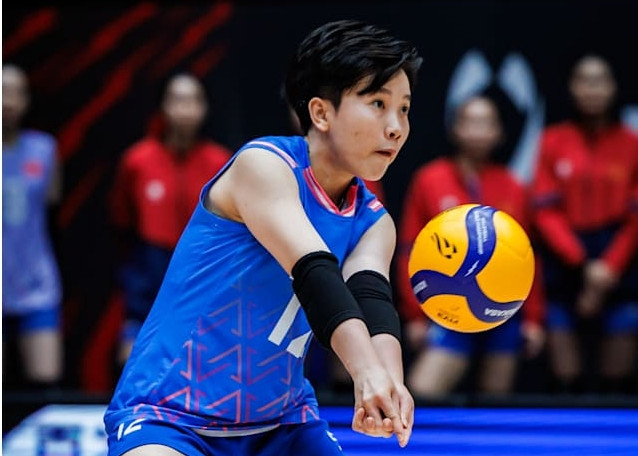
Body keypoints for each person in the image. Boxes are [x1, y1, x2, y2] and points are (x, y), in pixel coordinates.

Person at [104, 20, 422, 455]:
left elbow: (372, 300)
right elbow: (314, 272)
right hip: (170, 415)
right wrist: (365, 373)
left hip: (281, 424)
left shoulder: (374, 220)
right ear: (321, 113)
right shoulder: (263, 164)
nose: (396, 127)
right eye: (378, 104)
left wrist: (389, 383)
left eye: (404, 108)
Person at [397, 96, 544, 397]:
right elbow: (409, 250)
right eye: (470, 121)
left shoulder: (513, 186)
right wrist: (414, 315)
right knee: (423, 390)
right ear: (455, 128)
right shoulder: (429, 179)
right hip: (448, 305)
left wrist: (533, 318)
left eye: (486, 123)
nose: (477, 131)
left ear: (499, 132)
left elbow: (527, 258)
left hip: (502, 306)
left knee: (495, 400)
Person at [531, 55, 638, 394]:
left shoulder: (635, 143)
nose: (592, 89)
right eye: (585, 80)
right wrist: (583, 264)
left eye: (600, 81)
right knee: (564, 381)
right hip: (565, 262)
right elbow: (545, 211)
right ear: (572, 87)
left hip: (619, 264)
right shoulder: (552, 141)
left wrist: (607, 269)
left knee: (618, 382)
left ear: (613, 88)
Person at [109, 73, 232, 365]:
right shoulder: (137, 160)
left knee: (203, 367)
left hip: (204, 276)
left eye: (193, 101)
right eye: (177, 100)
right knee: (134, 365)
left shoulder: (221, 161)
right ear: (162, 106)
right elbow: (121, 220)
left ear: (205, 107)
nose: (185, 109)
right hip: (149, 276)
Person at [2, 64, 63, 389]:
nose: (7, 101)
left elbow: (52, 200)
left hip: (36, 284)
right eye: (2, 92)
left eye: (15, 93)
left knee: (45, 378)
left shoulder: (44, 149)